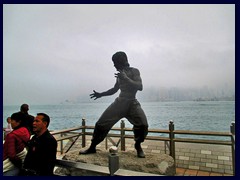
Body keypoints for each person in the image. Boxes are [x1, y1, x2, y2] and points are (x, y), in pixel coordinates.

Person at [79, 51, 148, 158]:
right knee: (100, 124)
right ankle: (92, 146)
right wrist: (101, 94)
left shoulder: (134, 71)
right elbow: (114, 89)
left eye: (115, 62)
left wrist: (126, 78)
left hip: (132, 104)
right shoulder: (120, 74)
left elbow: (139, 86)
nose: (114, 65)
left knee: (143, 125)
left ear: (122, 61)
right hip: (119, 103)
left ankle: (138, 145)